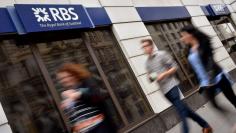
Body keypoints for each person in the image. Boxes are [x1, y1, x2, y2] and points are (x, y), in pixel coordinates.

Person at [141, 38, 212, 133]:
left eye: (146, 46)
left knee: (181, 112)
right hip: (164, 91)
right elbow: (150, 78)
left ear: (151, 46)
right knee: (185, 110)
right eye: (143, 47)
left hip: (172, 86)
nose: (144, 48)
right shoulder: (147, 63)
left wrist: (163, 74)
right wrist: (150, 77)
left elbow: (175, 67)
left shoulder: (161, 55)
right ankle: (206, 126)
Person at [180, 25, 236, 112]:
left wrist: (210, 75)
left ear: (191, 34)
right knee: (214, 105)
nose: (182, 39)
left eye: (183, 35)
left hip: (217, 76)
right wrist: (199, 82)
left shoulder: (204, 43)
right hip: (206, 82)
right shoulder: (188, 50)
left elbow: (210, 59)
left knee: (233, 99)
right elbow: (195, 68)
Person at [56, 63, 113, 133]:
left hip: (99, 128)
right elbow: (74, 117)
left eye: (66, 77)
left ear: (74, 75)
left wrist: (78, 94)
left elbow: (98, 95)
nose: (64, 80)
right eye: (61, 79)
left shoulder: (86, 83)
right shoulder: (65, 93)